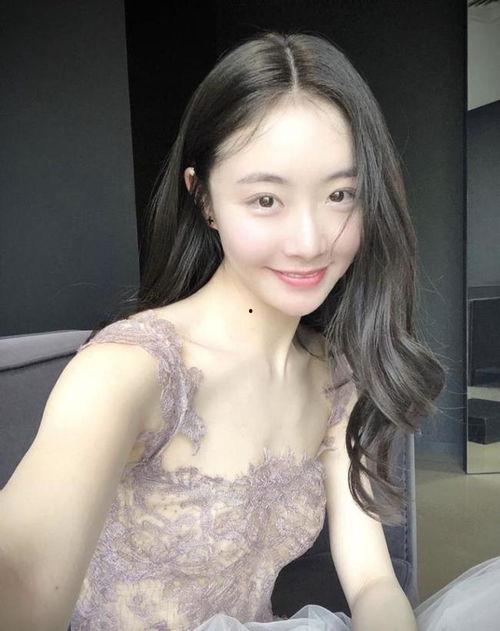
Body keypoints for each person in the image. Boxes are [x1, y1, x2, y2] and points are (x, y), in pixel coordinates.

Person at [2, 29, 500, 631]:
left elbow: (371, 579)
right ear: (204, 200)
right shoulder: (130, 371)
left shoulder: (338, 375)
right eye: (266, 200)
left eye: (341, 194)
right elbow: (22, 573)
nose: (310, 241)